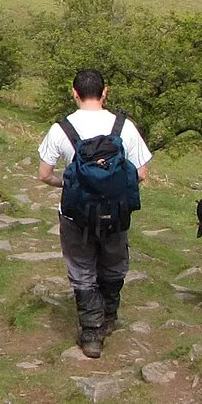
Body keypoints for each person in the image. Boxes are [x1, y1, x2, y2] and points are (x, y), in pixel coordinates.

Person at [36, 69, 152, 357]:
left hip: (76, 213)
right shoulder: (124, 127)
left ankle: (91, 334)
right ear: (105, 92)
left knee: (81, 269)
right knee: (113, 265)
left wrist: (72, 181)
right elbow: (141, 172)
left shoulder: (61, 129)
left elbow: (44, 174)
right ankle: (109, 318)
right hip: (116, 212)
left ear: (74, 93)